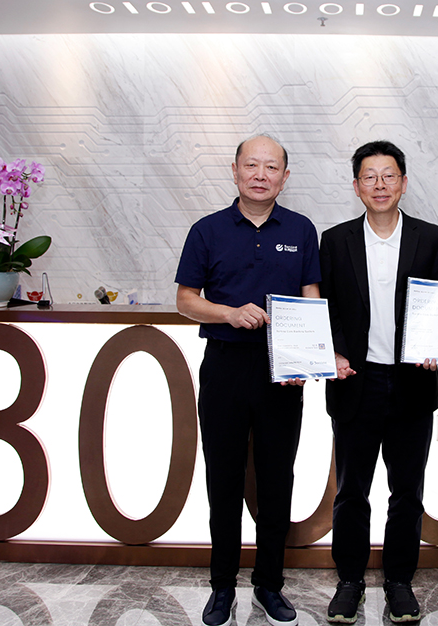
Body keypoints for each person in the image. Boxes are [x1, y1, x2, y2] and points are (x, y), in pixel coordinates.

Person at [175, 135, 321, 626]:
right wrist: (228, 313)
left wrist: (304, 359)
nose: (261, 175)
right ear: (235, 171)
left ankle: (269, 584)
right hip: (225, 366)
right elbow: (185, 300)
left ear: (285, 176)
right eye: (252, 165)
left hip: (282, 372)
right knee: (224, 478)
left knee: (278, 480)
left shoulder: (301, 229)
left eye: (271, 167)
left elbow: (311, 297)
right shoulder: (207, 230)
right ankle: (222, 586)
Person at [319, 140, 438, 623]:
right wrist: (332, 351)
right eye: (369, 177)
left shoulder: (430, 238)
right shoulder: (335, 240)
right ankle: (349, 582)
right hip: (356, 381)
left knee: (407, 491)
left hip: (412, 381)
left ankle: (399, 582)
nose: (379, 185)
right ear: (356, 186)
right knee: (352, 491)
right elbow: (326, 307)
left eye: (388, 175)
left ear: (404, 183)